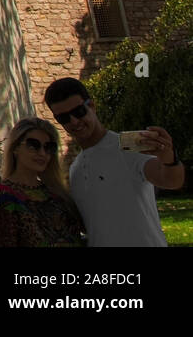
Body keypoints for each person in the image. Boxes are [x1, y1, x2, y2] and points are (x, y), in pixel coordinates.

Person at [45, 77, 184, 246]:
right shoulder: (76, 169)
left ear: (92, 106)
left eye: (79, 111)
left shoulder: (127, 146)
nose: (74, 121)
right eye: (64, 118)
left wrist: (169, 158)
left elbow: (171, 180)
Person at [0, 118, 84, 247]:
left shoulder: (56, 193)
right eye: (33, 145)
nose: (42, 153)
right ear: (15, 148)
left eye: (48, 147)